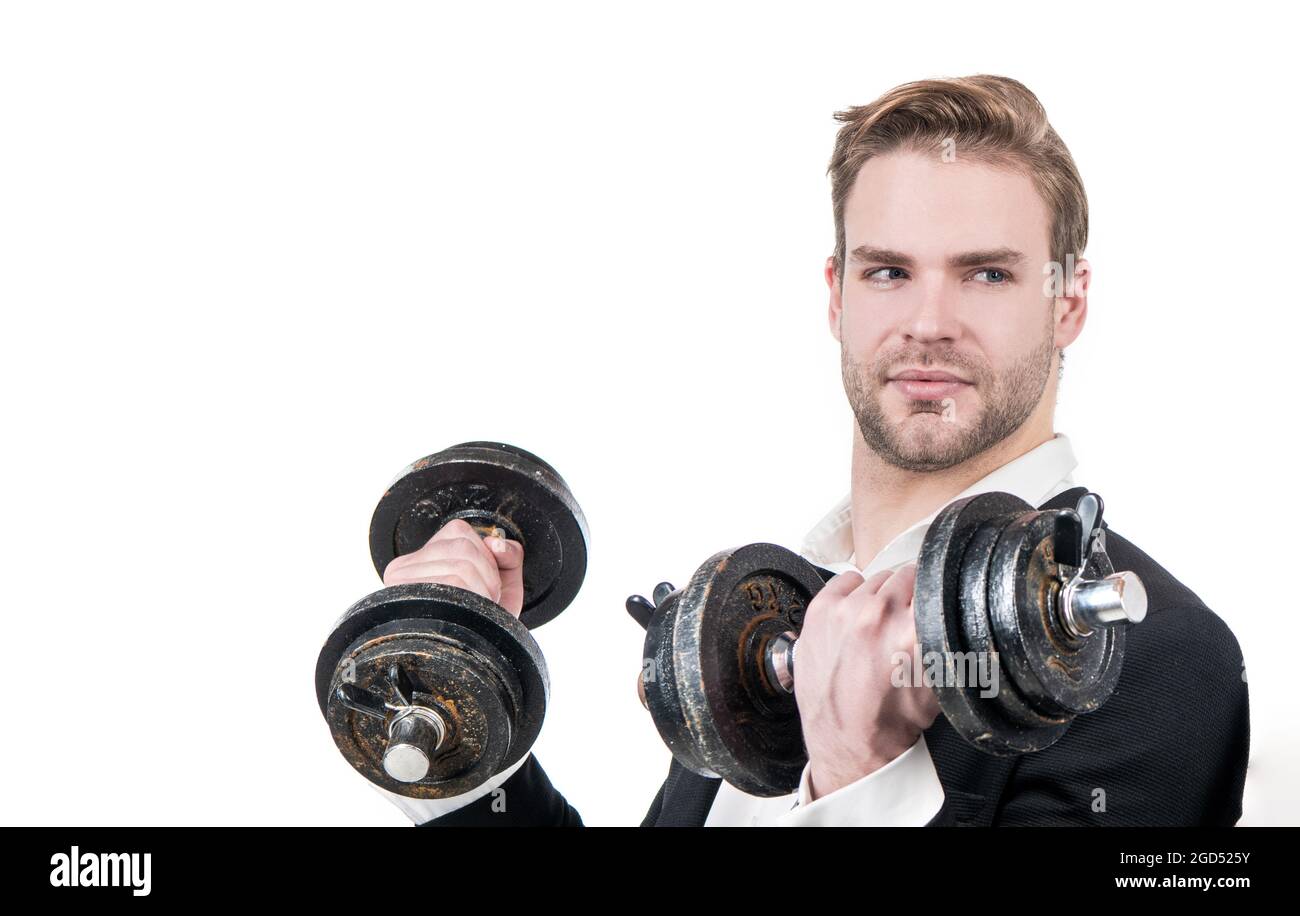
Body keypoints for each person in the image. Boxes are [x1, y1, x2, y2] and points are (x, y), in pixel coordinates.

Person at [372, 74, 1249, 826]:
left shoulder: (1160, 660)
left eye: (988, 273)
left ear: (1068, 302)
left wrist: (859, 779)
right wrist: (459, 720)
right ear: (837, 296)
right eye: (888, 271)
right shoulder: (780, 608)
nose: (929, 324)